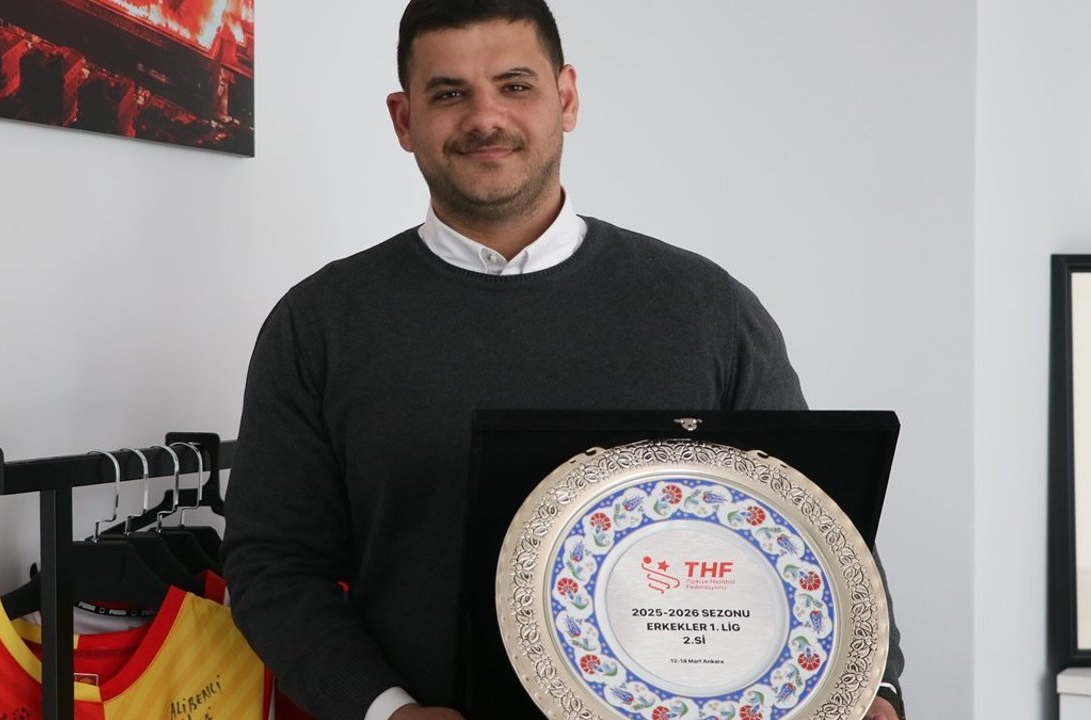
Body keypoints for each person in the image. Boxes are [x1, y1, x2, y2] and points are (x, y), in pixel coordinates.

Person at [222, 2, 906, 719]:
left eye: (515, 86)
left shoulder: (707, 308)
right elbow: (273, 565)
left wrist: (875, 689)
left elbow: (814, 525)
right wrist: (385, 710)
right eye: (449, 93)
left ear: (567, 98)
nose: (485, 118)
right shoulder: (319, 323)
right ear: (403, 120)